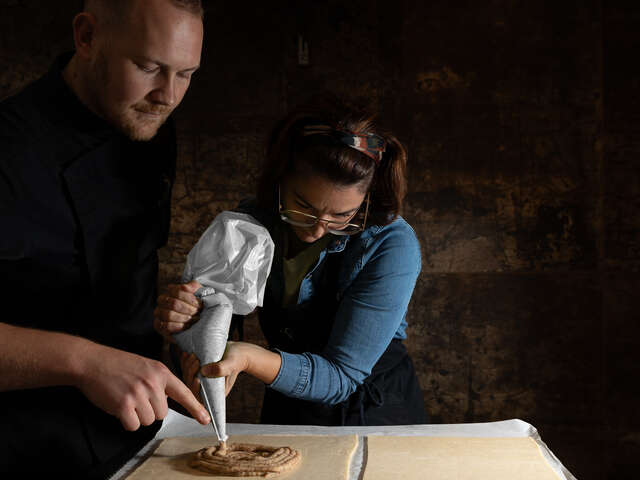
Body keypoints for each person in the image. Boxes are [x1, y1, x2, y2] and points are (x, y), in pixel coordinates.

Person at [0, 0, 211, 476]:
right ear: (86, 36)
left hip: (139, 439)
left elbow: (128, 282)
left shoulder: (153, 127)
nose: (168, 95)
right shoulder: (9, 150)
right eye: (149, 67)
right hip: (24, 451)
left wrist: (187, 329)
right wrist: (85, 362)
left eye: (187, 74)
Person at [156, 98, 427, 426]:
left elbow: (341, 376)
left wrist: (248, 357)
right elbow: (211, 318)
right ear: (280, 179)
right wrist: (188, 330)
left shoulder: (391, 244)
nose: (317, 229)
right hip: (288, 404)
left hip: (373, 410)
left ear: (366, 199)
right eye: (303, 207)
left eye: (342, 216)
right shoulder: (247, 224)